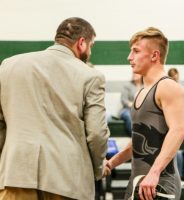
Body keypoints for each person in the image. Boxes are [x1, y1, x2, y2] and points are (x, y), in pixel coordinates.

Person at [0, 17, 110, 200]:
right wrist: (99, 168)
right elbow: (97, 133)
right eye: (91, 45)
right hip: (67, 180)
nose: (90, 51)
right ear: (82, 43)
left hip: (15, 175)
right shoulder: (91, 76)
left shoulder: (8, 66)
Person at [103, 27, 184, 200]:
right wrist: (112, 163)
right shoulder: (140, 92)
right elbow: (139, 140)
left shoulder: (167, 86)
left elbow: (178, 131)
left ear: (154, 56)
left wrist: (154, 173)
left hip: (159, 183)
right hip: (139, 181)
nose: (129, 57)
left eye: (136, 51)